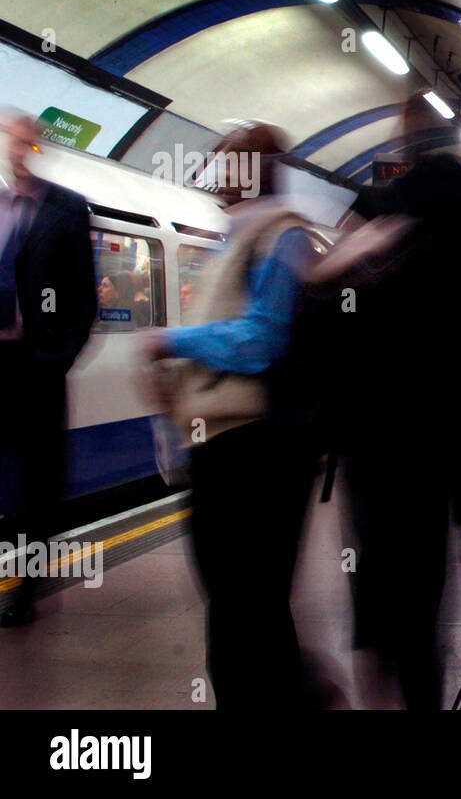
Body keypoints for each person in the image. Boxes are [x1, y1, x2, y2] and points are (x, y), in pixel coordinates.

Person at [299, 134, 461, 708]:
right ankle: (418, 692)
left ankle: (379, 679)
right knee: (422, 599)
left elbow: (321, 326)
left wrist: (336, 265)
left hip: (373, 455)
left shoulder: (385, 257)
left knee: (372, 589)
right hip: (435, 461)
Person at [143, 121, 319, 707]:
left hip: (257, 448)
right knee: (242, 601)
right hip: (230, 446)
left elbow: (262, 340)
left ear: (245, 172)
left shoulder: (281, 237)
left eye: (221, 167)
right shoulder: (244, 234)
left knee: (244, 604)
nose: (211, 180)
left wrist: (177, 342)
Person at [0, 112, 97, 627]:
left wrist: (57, 357)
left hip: (35, 367)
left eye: (25, 139)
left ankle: (23, 589)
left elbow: (84, 297)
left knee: (32, 486)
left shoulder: (66, 207)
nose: (17, 148)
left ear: (37, 145)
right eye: (9, 139)